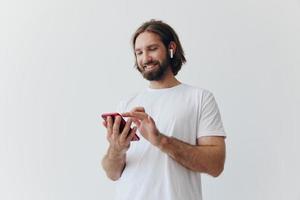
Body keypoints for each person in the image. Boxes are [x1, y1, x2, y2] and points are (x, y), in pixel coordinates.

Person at [101, 19, 226, 200]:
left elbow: (216, 165)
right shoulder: (127, 103)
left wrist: (160, 140)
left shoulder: (200, 98)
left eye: (152, 49)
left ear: (171, 48)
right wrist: (117, 148)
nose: (145, 58)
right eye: (139, 52)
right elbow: (112, 174)